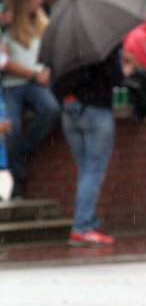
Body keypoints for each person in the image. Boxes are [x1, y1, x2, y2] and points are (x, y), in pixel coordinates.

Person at [53, 50, 123, 246]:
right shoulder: (102, 47)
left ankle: (85, 221)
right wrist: (127, 68)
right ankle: (82, 226)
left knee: (85, 170)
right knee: (93, 170)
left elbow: (55, 82)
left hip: (70, 110)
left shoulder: (64, 48)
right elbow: (116, 78)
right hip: (96, 109)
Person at [0, 0, 60, 198]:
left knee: (51, 110)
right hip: (12, 85)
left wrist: (45, 70)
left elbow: (49, 53)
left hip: (37, 84)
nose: (40, 0)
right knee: (12, 127)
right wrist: (33, 73)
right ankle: (19, 178)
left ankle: (21, 154)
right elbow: (4, 62)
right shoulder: (7, 23)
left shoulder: (43, 23)